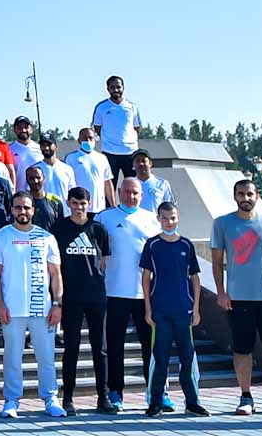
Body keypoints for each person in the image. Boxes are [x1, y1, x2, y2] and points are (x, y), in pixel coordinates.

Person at [211, 176, 262, 416]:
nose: (245, 199)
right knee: (242, 350)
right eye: (241, 194)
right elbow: (217, 263)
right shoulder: (222, 224)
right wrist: (221, 292)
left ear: (257, 196)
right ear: (234, 196)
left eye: (249, 194)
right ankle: (246, 397)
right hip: (238, 299)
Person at [0, 192, 65, 418]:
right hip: (12, 308)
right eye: (18, 207)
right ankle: (11, 400)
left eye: (27, 208)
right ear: (11, 209)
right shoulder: (0, 237)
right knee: (12, 356)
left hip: (43, 309)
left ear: (33, 210)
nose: (22, 212)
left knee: (47, 356)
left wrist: (58, 303)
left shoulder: (47, 238)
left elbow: (56, 274)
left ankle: (50, 398)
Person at [97, 176, 160, 411]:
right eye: (126, 192)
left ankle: (155, 391)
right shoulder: (105, 218)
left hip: (145, 295)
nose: (130, 196)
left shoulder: (152, 219)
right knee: (114, 345)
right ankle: (115, 392)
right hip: (114, 293)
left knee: (150, 346)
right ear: (118, 192)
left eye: (135, 193)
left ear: (141, 195)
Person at [139, 202, 206, 417]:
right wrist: (148, 310)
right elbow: (146, 278)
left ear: (178, 218)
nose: (170, 222)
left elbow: (195, 278)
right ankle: (156, 401)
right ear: (159, 219)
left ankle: (192, 401)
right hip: (160, 311)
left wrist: (196, 308)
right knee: (160, 358)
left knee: (188, 358)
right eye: (166, 218)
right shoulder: (152, 244)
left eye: (173, 218)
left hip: (183, 311)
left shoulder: (186, 245)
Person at [51, 186, 114, 415]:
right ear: (69, 203)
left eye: (83, 203)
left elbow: (103, 260)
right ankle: (68, 398)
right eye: (75, 203)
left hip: (96, 296)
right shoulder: (59, 229)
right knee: (72, 348)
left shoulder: (98, 229)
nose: (79, 208)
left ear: (89, 204)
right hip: (71, 297)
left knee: (101, 348)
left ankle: (103, 396)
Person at [91, 73, 144, 179]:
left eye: (118, 87)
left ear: (123, 88)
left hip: (130, 151)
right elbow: (97, 127)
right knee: (109, 185)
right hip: (109, 152)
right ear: (108, 89)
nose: (116, 90)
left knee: (133, 184)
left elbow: (137, 127)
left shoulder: (132, 106)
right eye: (112, 87)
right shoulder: (101, 107)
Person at [68, 128, 116, 213]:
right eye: (85, 138)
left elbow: (108, 183)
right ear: (79, 140)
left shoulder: (102, 158)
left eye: (91, 138)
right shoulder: (71, 158)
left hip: (100, 208)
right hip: (80, 208)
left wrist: (113, 205)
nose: (88, 140)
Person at [5, 117, 44, 192]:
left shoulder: (40, 148)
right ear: (15, 130)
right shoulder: (9, 149)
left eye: (26, 127)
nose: (23, 130)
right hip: (18, 194)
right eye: (19, 128)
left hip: (38, 193)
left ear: (31, 129)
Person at [34, 135, 77, 201]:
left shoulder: (67, 169)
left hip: (64, 210)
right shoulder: (35, 170)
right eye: (43, 145)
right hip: (44, 210)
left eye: (49, 144)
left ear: (56, 147)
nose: (46, 148)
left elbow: (72, 192)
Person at [24, 166, 64, 230]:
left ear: (44, 178)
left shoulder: (55, 200)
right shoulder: (21, 201)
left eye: (38, 177)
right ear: (27, 180)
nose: (35, 181)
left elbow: (61, 227)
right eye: (31, 178)